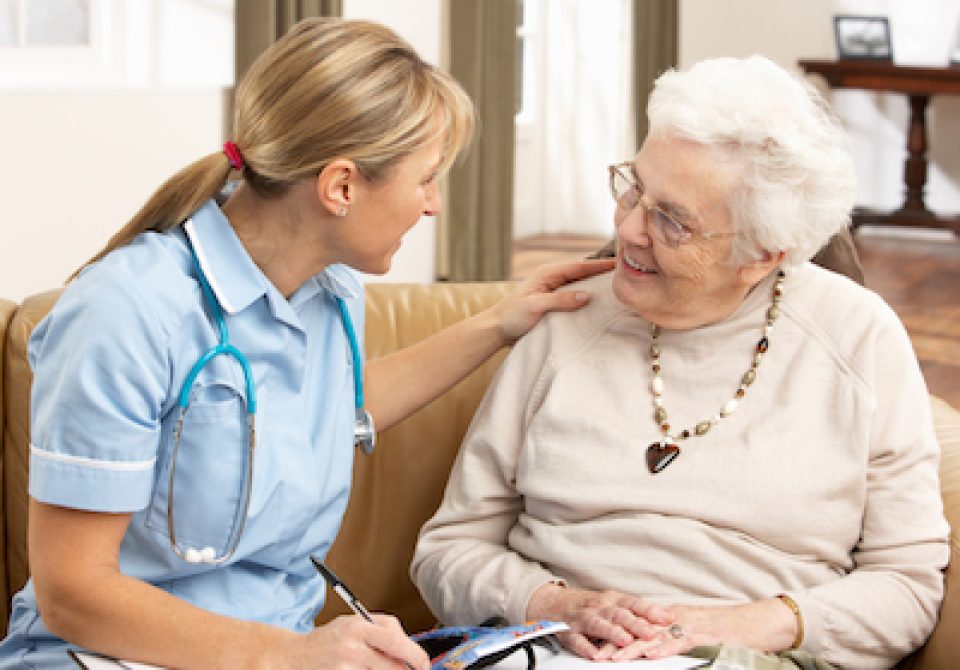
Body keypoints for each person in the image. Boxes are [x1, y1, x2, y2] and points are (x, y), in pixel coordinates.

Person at [0, 17, 613, 670]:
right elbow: (75, 593)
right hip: (103, 657)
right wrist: (289, 655)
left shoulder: (330, 292)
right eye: (426, 178)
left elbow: (325, 411)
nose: (433, 205)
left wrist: (498, 321)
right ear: (342, 186)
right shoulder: (128, 309)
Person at [411, 55, 950, 670]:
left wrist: (717, 627)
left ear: (761, 254)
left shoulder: (857, 337)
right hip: (547, 650)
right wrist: (557, 603)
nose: (629, 231)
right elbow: (447, 550)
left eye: (672, 220)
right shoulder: (565, 322)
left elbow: (907, 587)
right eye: (635, 189)